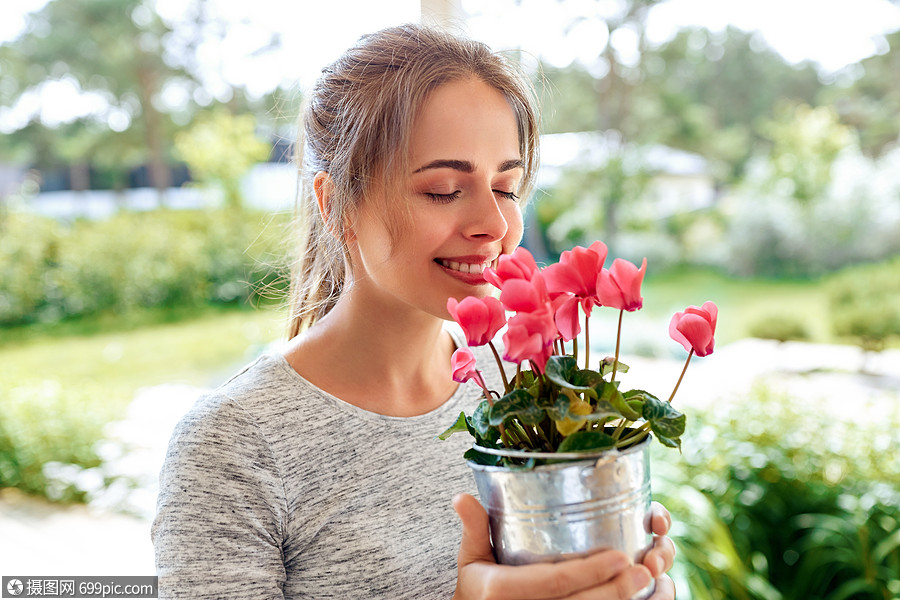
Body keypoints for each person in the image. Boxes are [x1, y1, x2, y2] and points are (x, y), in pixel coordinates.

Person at [152, 23, 676, 599]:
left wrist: (633, 586)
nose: (495, 225)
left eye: (507, 187)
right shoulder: (233, 444)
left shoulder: (523, 384)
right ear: (336, 204)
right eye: (443, 189)